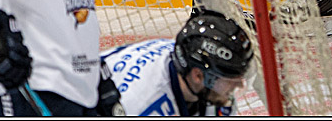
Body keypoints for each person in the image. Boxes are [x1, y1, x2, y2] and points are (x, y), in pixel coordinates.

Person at [103, 10, 254, 116]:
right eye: (230, 79)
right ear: (198, 75)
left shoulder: (191, 61)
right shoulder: (143, 107)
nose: (240, 85)